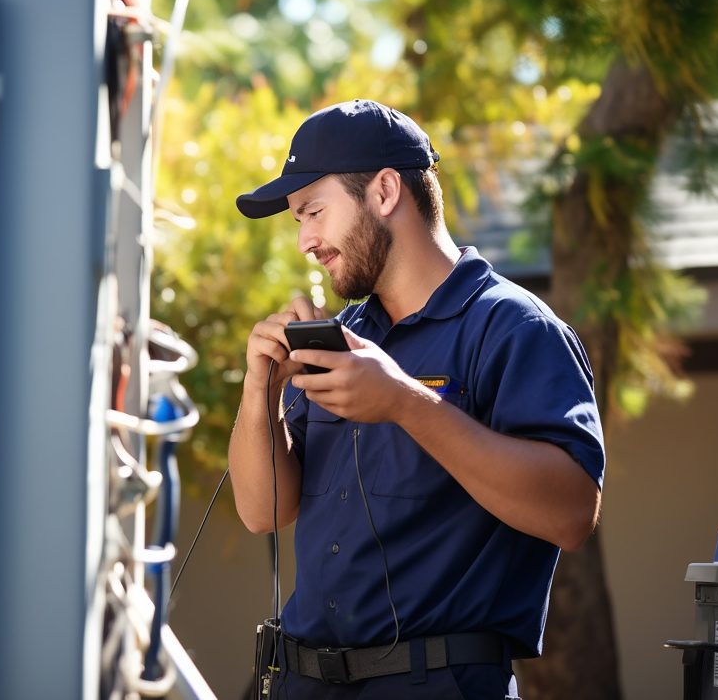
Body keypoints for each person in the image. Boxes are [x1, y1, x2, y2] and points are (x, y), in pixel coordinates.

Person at [228, 99, 605, 700]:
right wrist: (260, 395)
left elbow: (571, 514)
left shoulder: (515, 328)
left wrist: (403, 402)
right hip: (302, 685)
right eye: (298, 221)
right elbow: (262, 512)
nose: (305, 240)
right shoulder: (348, 336)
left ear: (383, 191)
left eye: (314, 212)